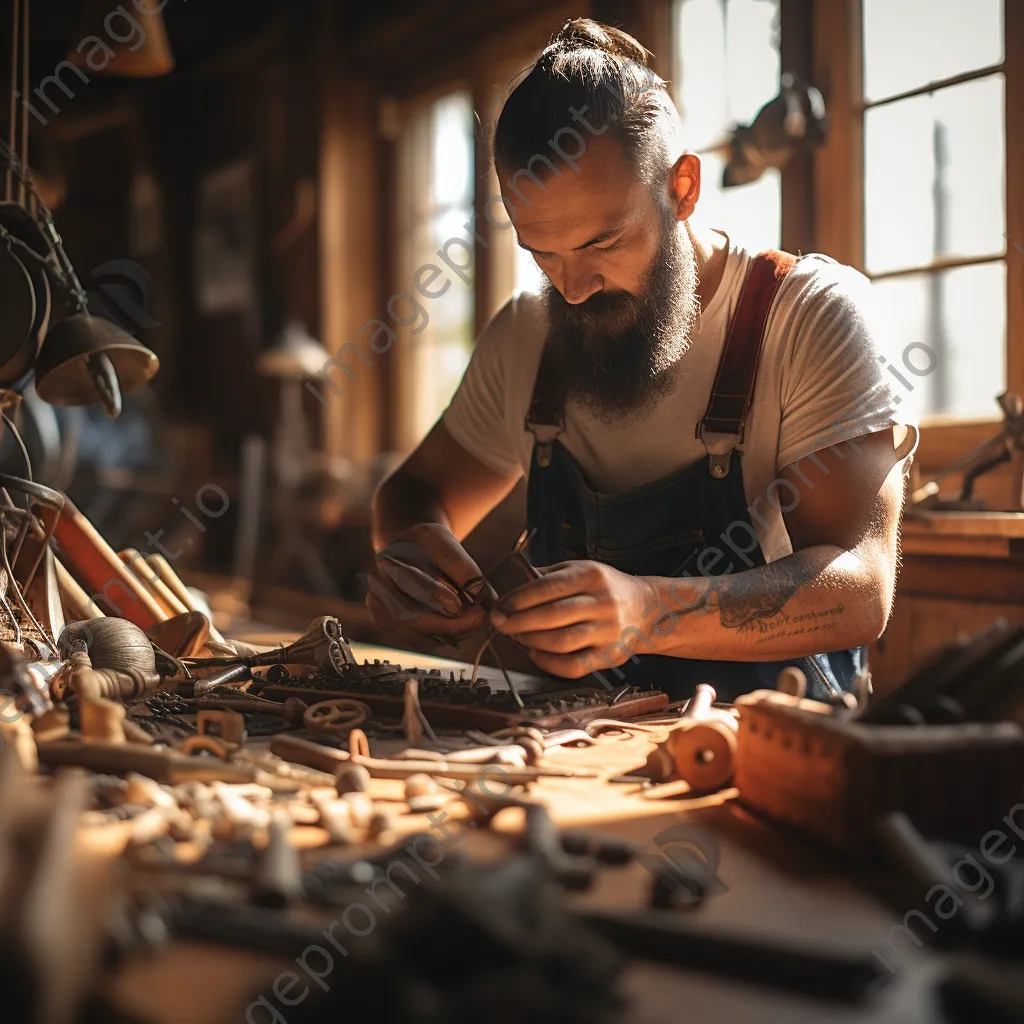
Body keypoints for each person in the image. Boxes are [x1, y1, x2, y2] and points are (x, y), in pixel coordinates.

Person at [368, 18, 917, 701]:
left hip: (769, 751)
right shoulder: (527, 335)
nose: (572, 287)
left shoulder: (806, 316)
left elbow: (862, 590)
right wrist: (418, 560)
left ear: (682, 188)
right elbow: (411, 497)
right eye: (543, 252)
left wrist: (650, 612)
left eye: (603, 243)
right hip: (577, 746)